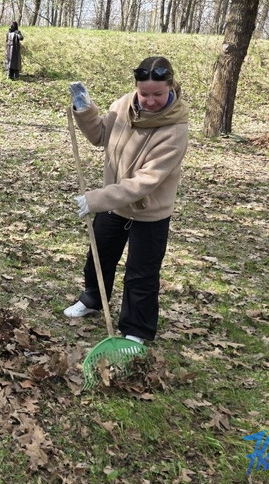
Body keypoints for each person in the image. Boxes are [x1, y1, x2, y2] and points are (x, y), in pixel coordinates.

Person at [64, 56, 189, 347]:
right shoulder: (123, 105)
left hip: (150, 213)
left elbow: (145, 181)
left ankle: (137, 330)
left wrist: (97, 198)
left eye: (158, 94)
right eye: (144, 93)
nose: (150, 100)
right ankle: (92, 300)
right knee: (99, 256)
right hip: (114, 205)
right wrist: (85, 110)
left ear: (170, 87)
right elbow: (100, 136)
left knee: (141, 274)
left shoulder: (175, 129)